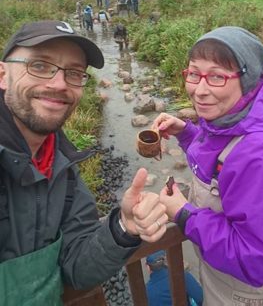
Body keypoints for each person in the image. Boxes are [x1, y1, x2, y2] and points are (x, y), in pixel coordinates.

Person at [0, 20, 168, 304]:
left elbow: (77, 269)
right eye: (40, 66)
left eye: (74, 73)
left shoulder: (61, 167)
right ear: (3, 75)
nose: (59, 84)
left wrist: (124, 228)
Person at [152, 27, 263, 305]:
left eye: (217, 77)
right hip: (223, 273)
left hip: (241, 293)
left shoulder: (260, 155)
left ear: (246, 81)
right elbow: (223, 159)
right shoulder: (237, 120)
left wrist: (184, 215)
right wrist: (186, 132)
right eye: (194, 73)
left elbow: (256, 260)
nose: (199, 90)